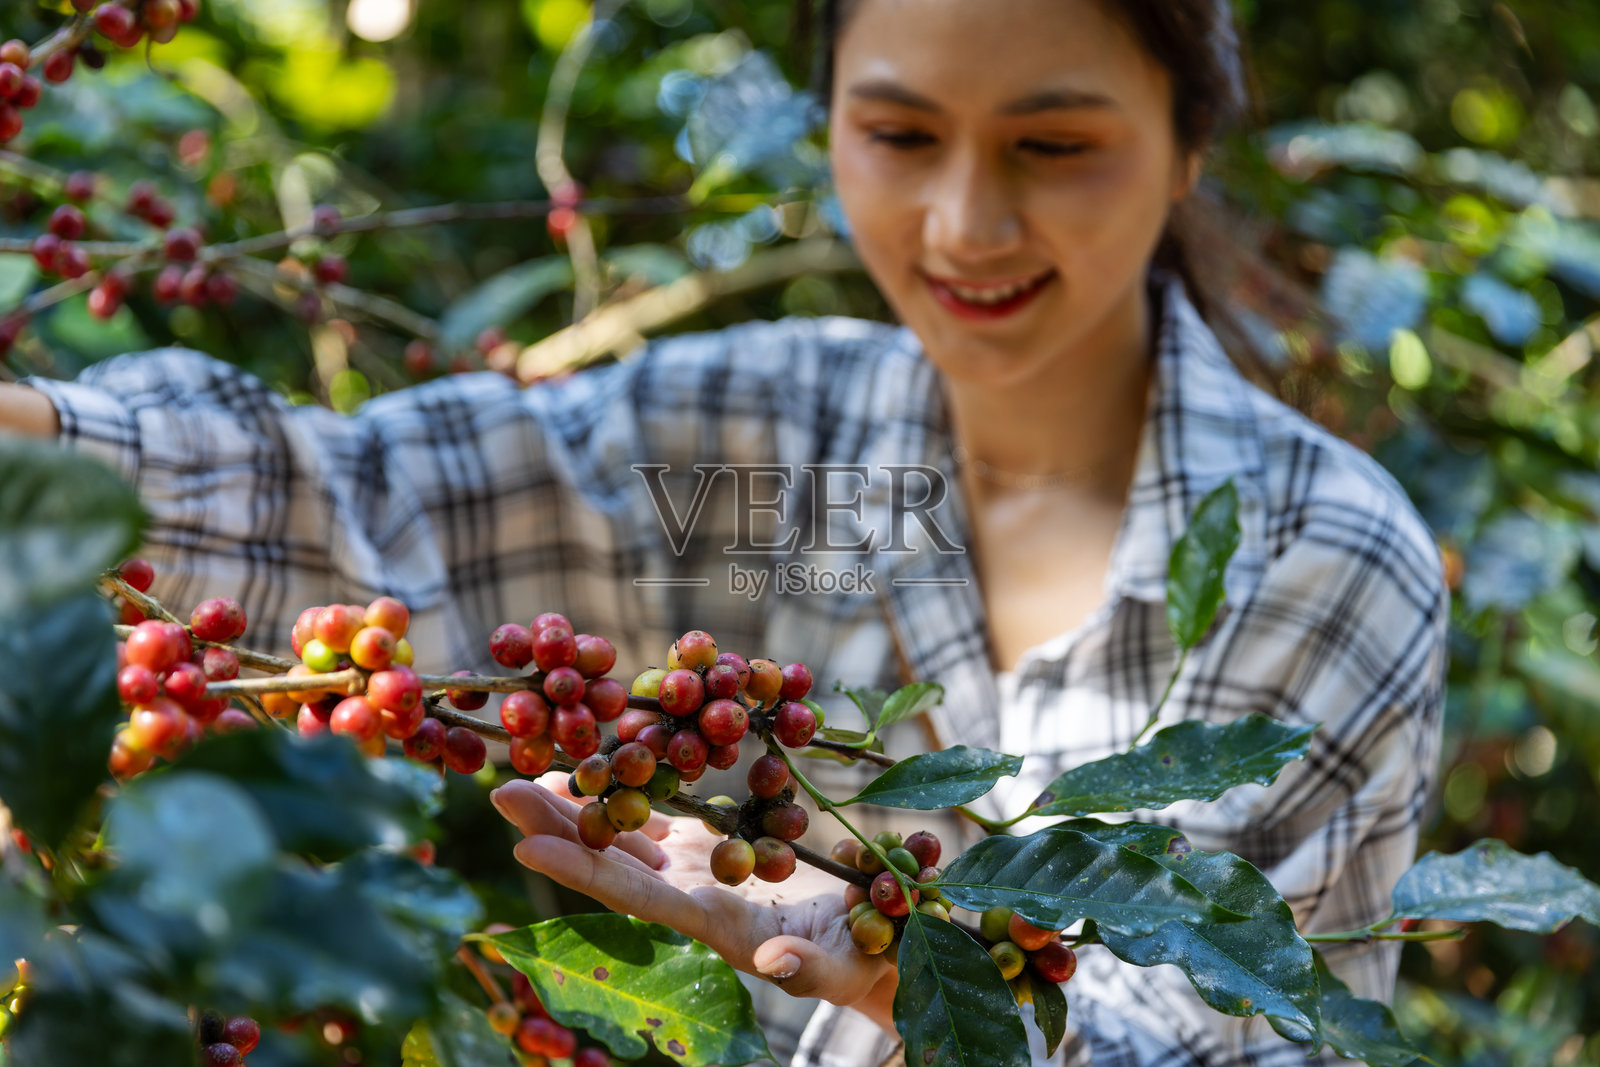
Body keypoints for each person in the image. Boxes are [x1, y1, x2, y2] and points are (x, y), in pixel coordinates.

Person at [0, 0, 1449, 1063]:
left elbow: (1208, 1040)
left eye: (1053, 143)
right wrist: (53, 453)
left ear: (1191, 145)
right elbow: (382, 503)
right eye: (896, 134)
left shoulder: (1314, 557)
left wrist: (924, 1001)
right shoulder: (783, 422)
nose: (963, 222)